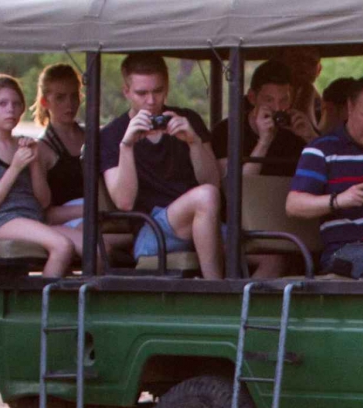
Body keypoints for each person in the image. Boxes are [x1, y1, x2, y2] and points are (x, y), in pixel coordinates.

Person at [98, 53, 223, 278]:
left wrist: (194, 142)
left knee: (268, 253)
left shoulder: (188, 119)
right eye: (141, 93)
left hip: (200, 221)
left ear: (166, 87)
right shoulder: (112, 135)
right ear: (126, 91)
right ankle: (218, 291)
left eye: (158, 91)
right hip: (150, 233)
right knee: (204, 197)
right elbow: (124, 203)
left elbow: (213, 182)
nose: (151, 101)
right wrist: (126, 146)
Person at [286, 78, 363, 279]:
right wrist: (339, 200)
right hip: (347, 251)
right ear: (349, 107)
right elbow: (293, 205)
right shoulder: (322, 149)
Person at [0, 74, 81, 278]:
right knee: (62, 246)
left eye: (16, 104)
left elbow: (44, 201)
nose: (10, 109)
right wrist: (15, 168)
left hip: (35, 218)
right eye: (2, 104)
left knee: (94, 248)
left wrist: (35, 163)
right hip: (2, 221)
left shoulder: (24, 144)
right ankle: (43, 308)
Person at [211, 60, 318, 179]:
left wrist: (310, 137)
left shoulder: (296, 132)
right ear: (252, 98)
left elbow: (333, 169)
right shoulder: (226, 131)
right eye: (269, 100)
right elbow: (235, 188)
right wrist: (264, 142)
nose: (277, 108)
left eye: (284, 100)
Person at [32, 63, 86, 228]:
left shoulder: (92, 137)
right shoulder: (42, 148)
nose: (69, 104)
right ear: (44, 101)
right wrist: (87, 210)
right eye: (60, 98)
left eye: (74, 96)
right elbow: (43, 211)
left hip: (102, 216)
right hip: (67, 223)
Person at [280, 46, 323, 124]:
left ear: (319, 69)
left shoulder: (325, 108)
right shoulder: (270, 104)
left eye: (311, 62)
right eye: (295, 60)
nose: (304, 65)